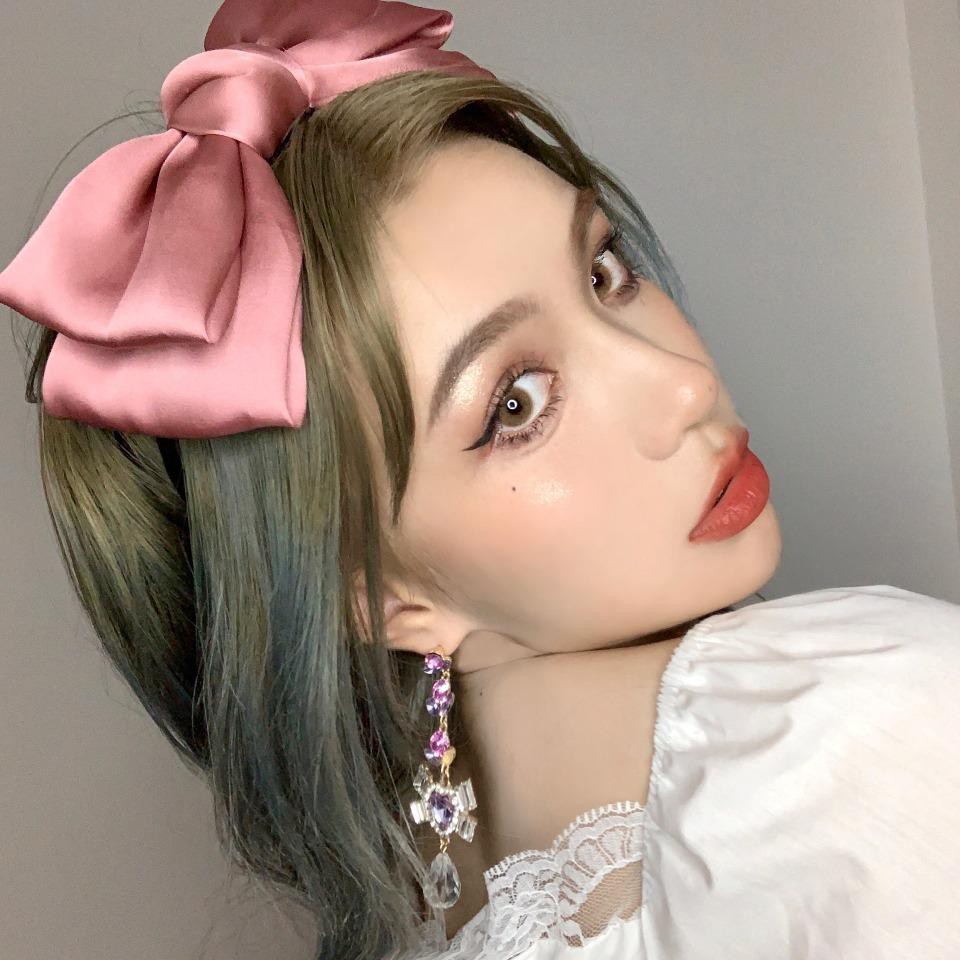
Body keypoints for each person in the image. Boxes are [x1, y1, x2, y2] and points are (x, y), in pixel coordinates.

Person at [1, 2, 958, 959]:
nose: (683, 385)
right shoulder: (849, 729)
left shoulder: (426, 906)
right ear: (383, 599)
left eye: (606, 271)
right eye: (516, 403)